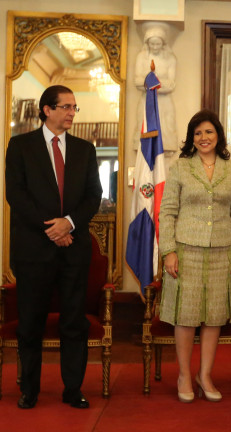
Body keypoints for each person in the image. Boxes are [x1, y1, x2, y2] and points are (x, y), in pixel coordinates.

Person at [6, 85, 102, 409]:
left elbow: (94, 195)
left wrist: (69, 223)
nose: (72, 113)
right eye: (66, 107)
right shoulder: (20, 146)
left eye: (75, 107)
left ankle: (72, 389)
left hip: (74, 251)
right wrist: (52, 228)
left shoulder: (85, 150)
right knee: (30, 323)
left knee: (74, 323)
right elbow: (16, 195)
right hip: (34, 251)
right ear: (47, 109)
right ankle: (29, 390)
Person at [158, 110, 231, 403]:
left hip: (224, 251)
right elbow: (167, 211)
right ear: (192, 138)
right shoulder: (180, 168)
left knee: (214, 316)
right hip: (186, 250)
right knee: (185, 316)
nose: (203, 137)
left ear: (218, 135)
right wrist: (169, 251)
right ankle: (184, 375)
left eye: (208, 132)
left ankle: (205, 375)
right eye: (197, 133)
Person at [134, 25, 177, 152]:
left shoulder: (170, 58)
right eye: (152, 44)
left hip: (165, 102)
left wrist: (148, 83)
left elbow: (171, 85)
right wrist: (159, 83)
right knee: (144, 126)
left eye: (158, 44)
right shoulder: (142, 57)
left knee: (166, 128)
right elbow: (137, 81)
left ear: (163, 44)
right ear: (147, 43)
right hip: (146, 100)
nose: (155, 47)